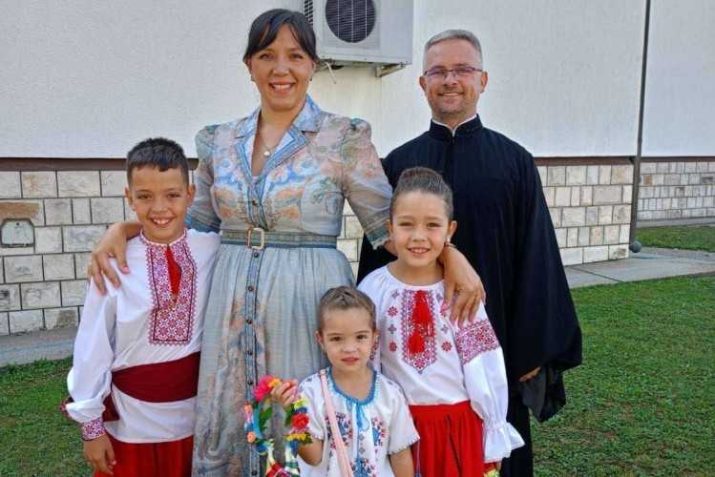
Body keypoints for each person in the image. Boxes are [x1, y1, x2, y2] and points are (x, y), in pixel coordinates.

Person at [86, 10, 482, 476]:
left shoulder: (343, 137)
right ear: (249, 65)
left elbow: (389, 227)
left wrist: (452, 256)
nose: (281, 68)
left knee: (303, 430)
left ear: (313, 64)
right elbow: (187, 225)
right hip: (230, 307)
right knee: (235, 433)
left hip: (306, 304)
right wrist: (123, 229)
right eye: (266, 55)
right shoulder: (219, 141)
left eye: (295, 56)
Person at [358, 30, 582, 477]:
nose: (450, 80)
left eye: (462, 69)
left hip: (495, 348)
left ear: (483, 79)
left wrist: (531, 351)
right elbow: (379, 259)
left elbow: (537, 258)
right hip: (410, 376)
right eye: (438, 71)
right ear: (422, 83)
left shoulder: (515, 163)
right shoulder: (398, 165)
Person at [63, 138, 220, 477]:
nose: (159, 208)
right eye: (145, 196)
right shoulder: (112, 264)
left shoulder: (214, 249)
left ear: (190, 195)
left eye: (172, 195)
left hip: (195, 419)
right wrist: (91, 427)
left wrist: (121, 227)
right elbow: (93, 344)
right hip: (130, 422)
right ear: (129, 197)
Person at [358, 167, 523, 476]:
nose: (418, 236)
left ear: (450, 230)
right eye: (406, 224)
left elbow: (484, 363)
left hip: (456, 432)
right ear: (390, 228)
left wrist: (494, 428)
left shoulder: (462, 291)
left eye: (432, 225)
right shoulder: (373, 288)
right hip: (397, 433)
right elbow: (366, 363)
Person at [271, 286, 418, 477]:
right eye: (337, 339)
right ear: (321, 340)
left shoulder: (390, 393)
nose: (349, 348)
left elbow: (400, 454)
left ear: (374, 337)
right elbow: (313, 458)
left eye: (360, 337)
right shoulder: (312, 392)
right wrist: (292, 414)